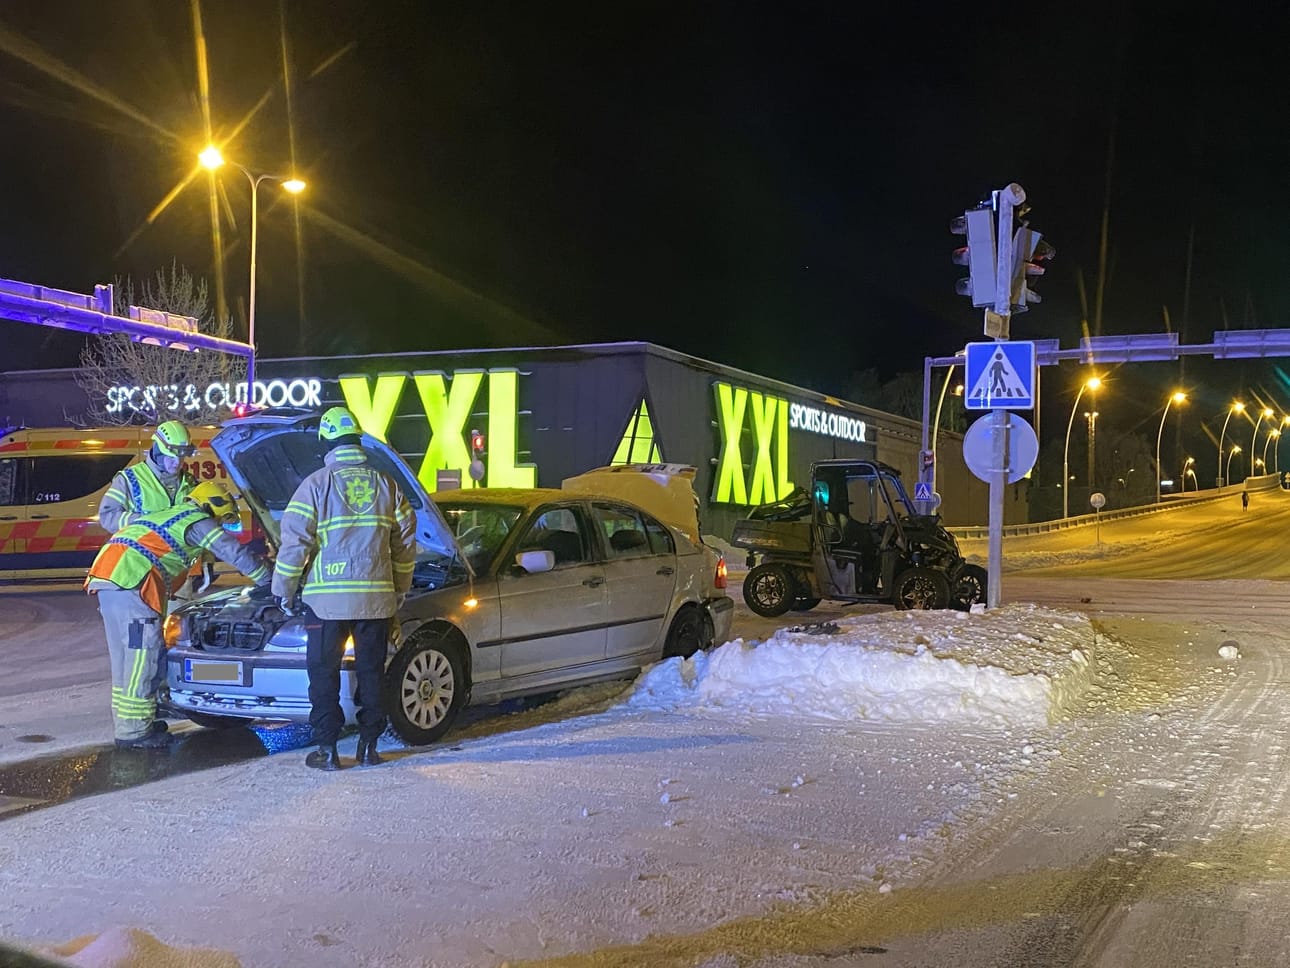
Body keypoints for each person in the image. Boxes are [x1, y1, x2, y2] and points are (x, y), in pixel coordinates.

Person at [273, 406, 417, 771]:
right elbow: (404, 545)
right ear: (357, 441)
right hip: (376, 601)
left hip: (326, 604)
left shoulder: (316, 485)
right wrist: (398, 590)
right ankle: (370, 747)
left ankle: (328, 750)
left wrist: (283, 589)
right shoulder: (387, 484)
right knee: (372, 674)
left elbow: (295, 544)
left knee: (323, 675)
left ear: (328, 443)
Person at [84, 481, 272, 749]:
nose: (221, 524)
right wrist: (268, 579)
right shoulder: (197, 521)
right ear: (213, 506)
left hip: (110, 578)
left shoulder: (171, 514)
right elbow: (234, 552)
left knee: (124, 657)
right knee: (143, 656)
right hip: (132, 582)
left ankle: (135, 721)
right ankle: (134, 732)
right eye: (222, 519)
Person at [98, 420, 216, 597]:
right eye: (171, 457)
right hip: (143, 572)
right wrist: (145, 522)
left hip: (180, 574)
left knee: (178, 624)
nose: (177, 463)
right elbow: (108, 516)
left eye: (181, 457)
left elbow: (200, 523)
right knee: (148, 624)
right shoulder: (129, 480)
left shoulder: (189, 483)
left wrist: (207, 560)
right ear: (158, 451)